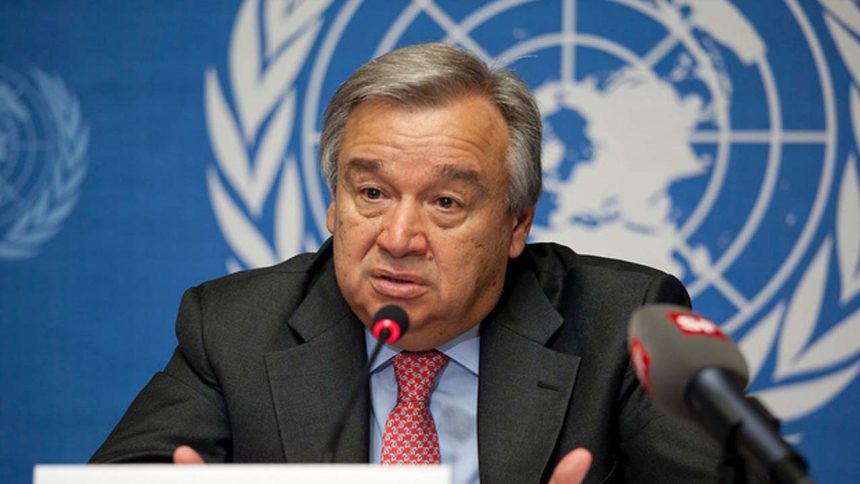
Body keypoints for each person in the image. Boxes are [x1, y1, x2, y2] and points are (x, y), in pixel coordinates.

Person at [91, 43, 720, 483]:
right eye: (371, 193)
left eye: (446, 202)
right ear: (333, 204)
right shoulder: (235, 328)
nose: (397, 238)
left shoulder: (624, 326)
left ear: (516, 224)